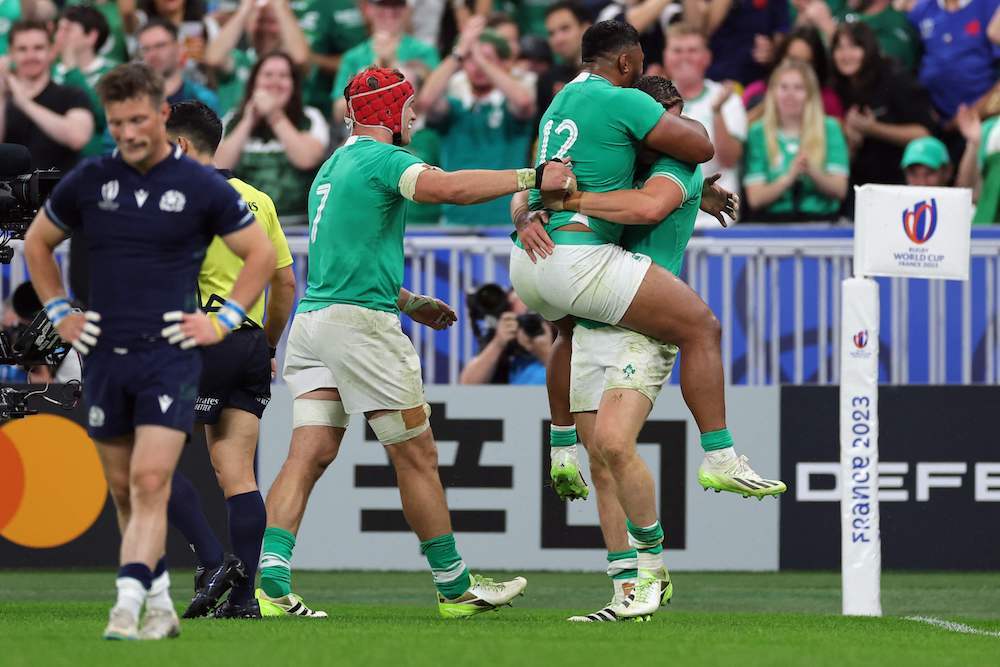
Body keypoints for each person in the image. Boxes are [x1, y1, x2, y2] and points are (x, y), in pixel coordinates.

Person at [256, 65, 575, 619]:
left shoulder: (331, 168)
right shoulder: (384, 160)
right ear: (387, 112)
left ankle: (272, 583)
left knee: (307, 454)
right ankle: (454, 587)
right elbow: (447, 187)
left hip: (312, 325)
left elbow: (344, 260)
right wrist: (533, 176)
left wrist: (408, 302)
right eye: (406, 108)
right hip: (359, 329)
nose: (414, 117)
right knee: (417, 455)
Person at [21, 62, 275, 640]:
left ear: (162, 117)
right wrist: (60, 311)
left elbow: (261, 257)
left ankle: (150, 595)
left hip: (171, 353)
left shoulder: (201, 185)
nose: (129, 132)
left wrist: (225, 320)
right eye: (117, 123)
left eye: (139, 119)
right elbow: (38, 243)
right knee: (129, 488)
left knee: (153, 474)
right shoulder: (90, 180)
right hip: (109, 352)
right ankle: (166, 590)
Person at [527, 75, 754, 621]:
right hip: (594, 319)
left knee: (614, 444)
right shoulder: (617, 157)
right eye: (664, 118)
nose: (672, 128)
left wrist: (565, 198)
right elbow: (530, 185)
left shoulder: (678, 166)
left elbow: (648, 209)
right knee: (601, 460)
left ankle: (656, 563)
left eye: (675, 116)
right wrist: (528, 208)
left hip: (642, 325)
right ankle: (626, 589)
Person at [164, 100, 296, 620]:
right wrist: (266, 345)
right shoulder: (258, 200)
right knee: (236, 472)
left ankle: (216, 561)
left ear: (179, 145)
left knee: (143, 461)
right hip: (247, 344)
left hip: (200, 339)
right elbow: (285, 282)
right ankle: (243, 600)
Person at [416, 18, 536, 225]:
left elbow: (524, 103)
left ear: (502, 63)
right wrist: (458, 53)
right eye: (469, 59)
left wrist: (479, 58)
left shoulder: (510, 108)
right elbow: (426, 101)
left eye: (487, 58)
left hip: (505, 224)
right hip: (455, 223)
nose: (477, 65)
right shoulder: (455, 108)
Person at [215, 51, 329, 224]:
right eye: (268, 75)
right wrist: (248, 121)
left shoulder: (311, 117)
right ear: (254, 83)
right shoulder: (232, 120)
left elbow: (307, 158)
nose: (275, 82)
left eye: (283, 76)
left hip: (299, 224)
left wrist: (274, 116)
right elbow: (218, 165)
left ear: (293, 84)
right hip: (245, 222)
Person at [831, 21, 934, 198]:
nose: (845, 55)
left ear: (869, 49)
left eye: (854, 47)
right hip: (856, 187)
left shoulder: (894, 78)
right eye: (839, 48)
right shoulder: (835, 86)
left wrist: (873, 129)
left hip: (898, 185)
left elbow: (923, 134)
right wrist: (852, 140)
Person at [663, 22, 746, 228]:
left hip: (717, 218)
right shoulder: (651, 99)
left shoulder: (727, 99)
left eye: (692, 50)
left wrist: (717, 111)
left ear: (707, 57)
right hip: (666, 214)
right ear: (666, 56)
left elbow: (730, 159)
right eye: (677, 50)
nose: (684, 57)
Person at [742, 59, 849, 221]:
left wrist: (811, 171)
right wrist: (788, 178)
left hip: (823, 222)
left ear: (810, 94)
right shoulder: (758, 132)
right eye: (783, 87)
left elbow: (840, 190)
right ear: (773, 92)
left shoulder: (830, 128)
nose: (790, 94)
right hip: (771, 224)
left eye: (799, 88)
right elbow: (755, 199)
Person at [0, 20, 95, 173]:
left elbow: (78, 137)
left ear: (51, 51)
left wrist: (24, 103)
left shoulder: (72, 94)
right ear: (10, 53)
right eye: (22, 49)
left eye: (38, 48)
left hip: (59, 193)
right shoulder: (3, 99)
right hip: (9, 194)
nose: (30, 56)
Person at [330, 0, 440, 125]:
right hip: (367, 132)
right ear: (369, 9)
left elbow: (436, 104)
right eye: (382, 5)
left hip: (414, 131)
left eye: (396, 5)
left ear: (407, 10)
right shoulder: (352, 57)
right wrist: (377, 67)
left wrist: (391, 64)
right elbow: (338, 112)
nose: (389, 12)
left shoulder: (424, 52)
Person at [203, 0, 310, 116]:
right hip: (236, 130)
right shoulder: (239, 60)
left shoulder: (289, 66)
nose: (265, 29)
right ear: (247, 25)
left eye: (272, 22)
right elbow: (213, 59)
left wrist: (280, 6)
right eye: (260, 21)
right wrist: (245, 7)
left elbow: (301, 59)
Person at [52, 4, 116, 158]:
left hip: (93, 159)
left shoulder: (114, 72)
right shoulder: (48, 70)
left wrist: (72, 71)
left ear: (91, 36)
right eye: (58, 29)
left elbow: (104, 116)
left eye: (67, 29)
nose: (59, 36)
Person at [742, 26, 843, 123]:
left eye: (806, 63)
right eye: (792, 60)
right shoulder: (755, 92)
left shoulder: (828, 100)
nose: (798, 69)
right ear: (780, 58)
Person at [458, 286, 552, 385]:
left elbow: (568, 384)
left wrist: (546, 353)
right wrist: (498, 343)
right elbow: (467, 385)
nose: (529, 322)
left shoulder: (560, 334)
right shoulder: (502, 343)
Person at [689, 0, 790, 86]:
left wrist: (771, 52)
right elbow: (700, 32)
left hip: (754, 81)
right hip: (714, 77)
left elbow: (781, 37)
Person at [137, 18, 218, 111]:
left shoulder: (203, 99)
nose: (153, 54)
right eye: (146, 49)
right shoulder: (134, 101)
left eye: (160, 45)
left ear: (179, 48)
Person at [535, 1, 590, 128]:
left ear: (586, 28)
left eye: (565, 28)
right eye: (551, 33)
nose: (558, 39)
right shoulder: (547, 79)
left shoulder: (611, 73)